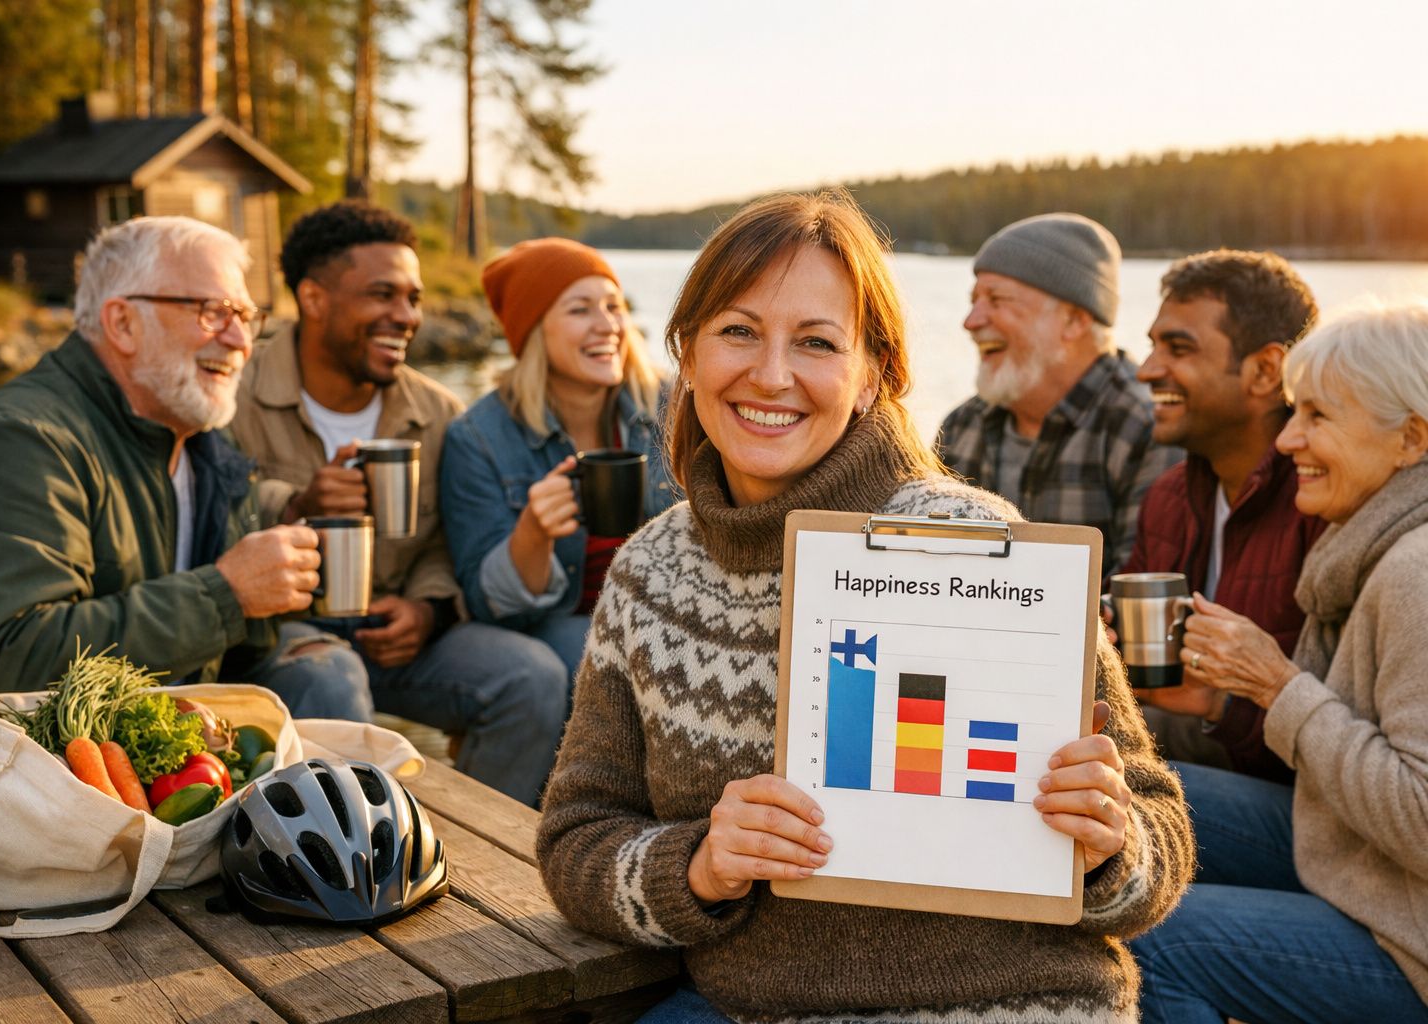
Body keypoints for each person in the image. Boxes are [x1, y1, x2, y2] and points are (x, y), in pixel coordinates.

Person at [536, 190, 1194, 1022]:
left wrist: (1109, 844)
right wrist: (698, 865)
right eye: (738, 331)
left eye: (816, 342)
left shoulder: (984, 547)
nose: (771, 375)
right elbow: (574, 839)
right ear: (687, 354)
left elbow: (1157, 838)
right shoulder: (651, 572)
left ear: (870, 376)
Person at [0, 216, 366, 718]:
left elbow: (223, 635)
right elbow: (13, 661)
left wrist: (286, 583)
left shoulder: (203, 441)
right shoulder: (17, 441)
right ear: (122, 323)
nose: (240, 341)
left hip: (129, 729)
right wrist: (227, 594)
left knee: (327, 672)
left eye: (247, 317)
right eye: (212, 311)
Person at [1129, 304, 1428, 1024]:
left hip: (1408, 938)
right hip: (1365, 866)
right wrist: (1224, 704)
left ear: (1410, 439)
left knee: (1145, 938)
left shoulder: (1416, 572)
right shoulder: (1368, 543)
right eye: (1295, 413)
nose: (1289, 439)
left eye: (1319, 417)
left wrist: (1280, 685)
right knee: (1137, 798)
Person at [229, 200, 565, 806]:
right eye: (382, 295)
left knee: (531, 676)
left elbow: (447, 545)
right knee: (329, 676)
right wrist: (294, 503)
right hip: (282, 635)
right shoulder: (237, 395)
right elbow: (204, 525)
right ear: (313, 299)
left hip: (399, 636)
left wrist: (428, 610)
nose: (406, 316)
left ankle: (474, 852)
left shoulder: (437, 412)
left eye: (412, 298)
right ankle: (348, 863)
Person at [1121, 250, 1325, 782]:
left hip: (1310, 813)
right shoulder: (1168, 497)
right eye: (1151, 345)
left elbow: (1342, 733)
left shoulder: (1322, 503)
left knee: (1120, 804)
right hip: (1193, 764)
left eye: (1178, 348)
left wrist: (1220, 706)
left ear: (1265, 371)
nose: (1146, 370)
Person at [440, 238, 677, 682]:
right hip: (562, 624)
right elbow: (488, 607)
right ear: (533, 331)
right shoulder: (479, 437)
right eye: (580, 309)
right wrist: (533, 534)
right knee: (593, 657)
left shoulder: (675, 406)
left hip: (668, 610)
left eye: (614, 306)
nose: (608, 325)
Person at [938, 212, 1180, 574]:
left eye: (996, 299)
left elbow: (1136, 594)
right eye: (974, 300)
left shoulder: (1145, 425)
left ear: (1073, 320)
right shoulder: (962, 426)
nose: (971, 321)